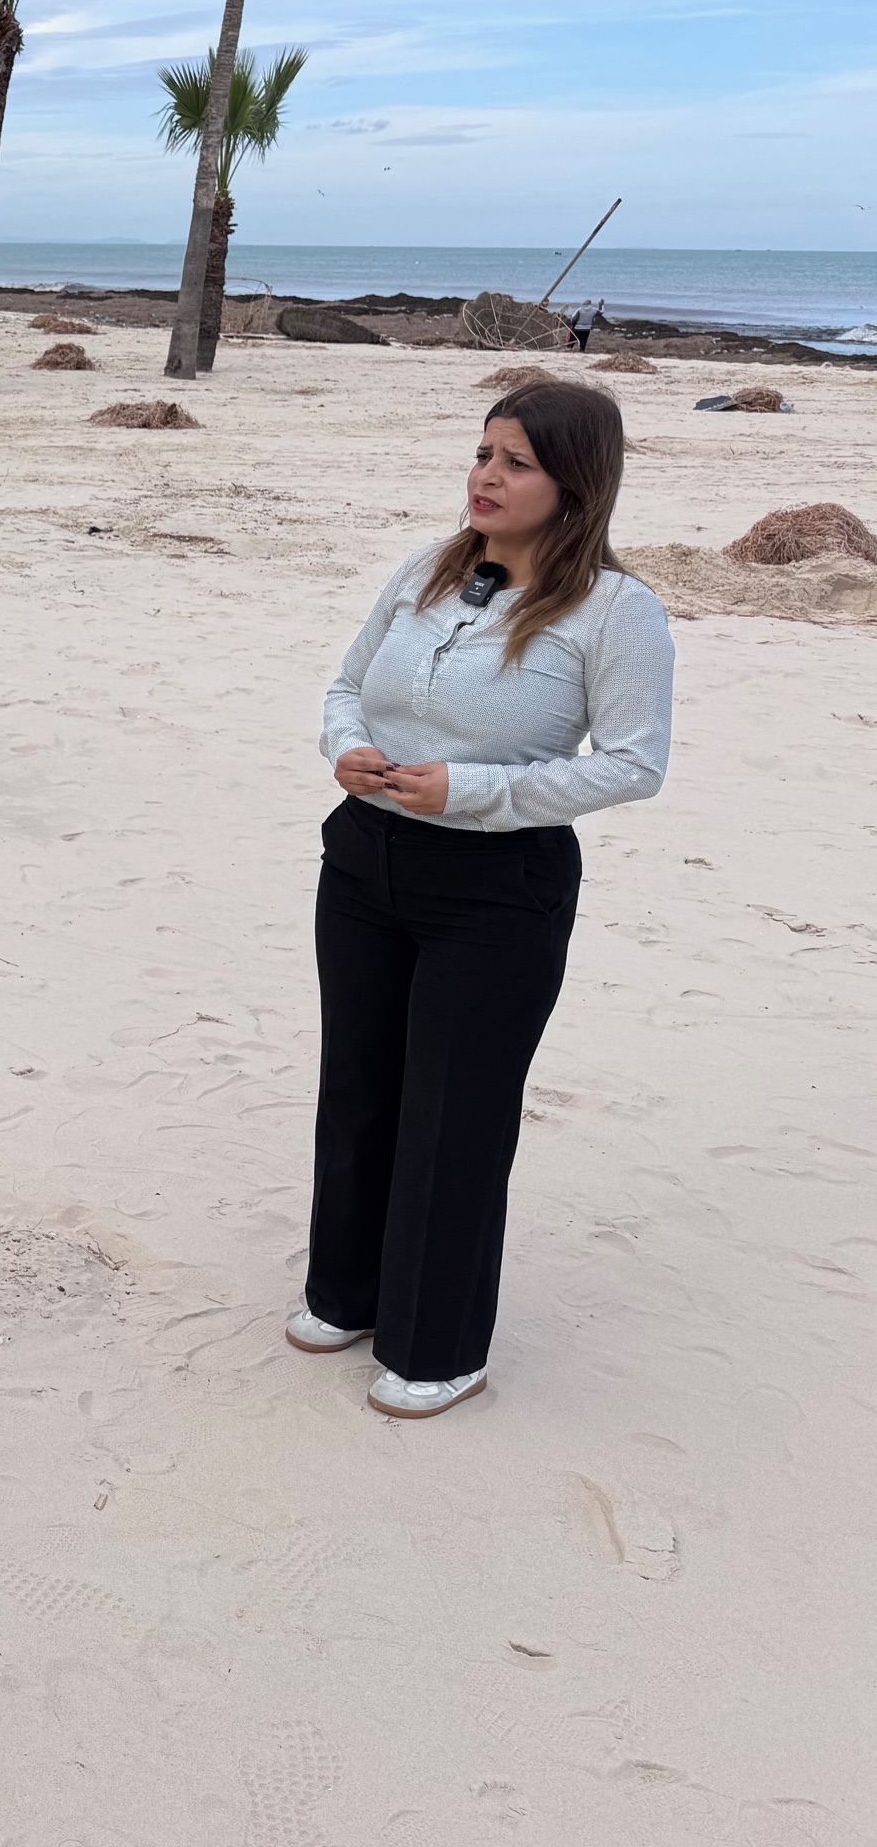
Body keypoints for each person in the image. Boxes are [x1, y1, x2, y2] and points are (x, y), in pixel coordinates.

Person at [296, 378, 674, 1419]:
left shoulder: (614, 611)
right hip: (366, 858)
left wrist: (480, 793)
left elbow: (635, 764)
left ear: (574, 482)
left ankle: (437, 1350)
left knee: (454, 1116)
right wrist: (348, 751)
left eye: (516, 461)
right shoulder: (429, 570)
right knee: (360, 1088)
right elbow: (343, 687)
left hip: (496, 889)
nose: (485, 476)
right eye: (482, 453)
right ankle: (349, 1293)